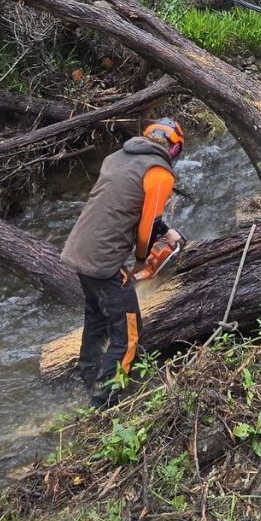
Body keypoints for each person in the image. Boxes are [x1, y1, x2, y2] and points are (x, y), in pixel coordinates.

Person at [62, 117, 187, 405]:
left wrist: (166, 232)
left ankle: (88, 380)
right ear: (174, 149)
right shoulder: (160, 173)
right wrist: (142, 259)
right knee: (129, 333)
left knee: (96, 321)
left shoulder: (116, 158)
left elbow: (125, 202)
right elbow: (145, 226)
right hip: (105, 263)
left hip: (79, 251)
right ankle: (107, 399)